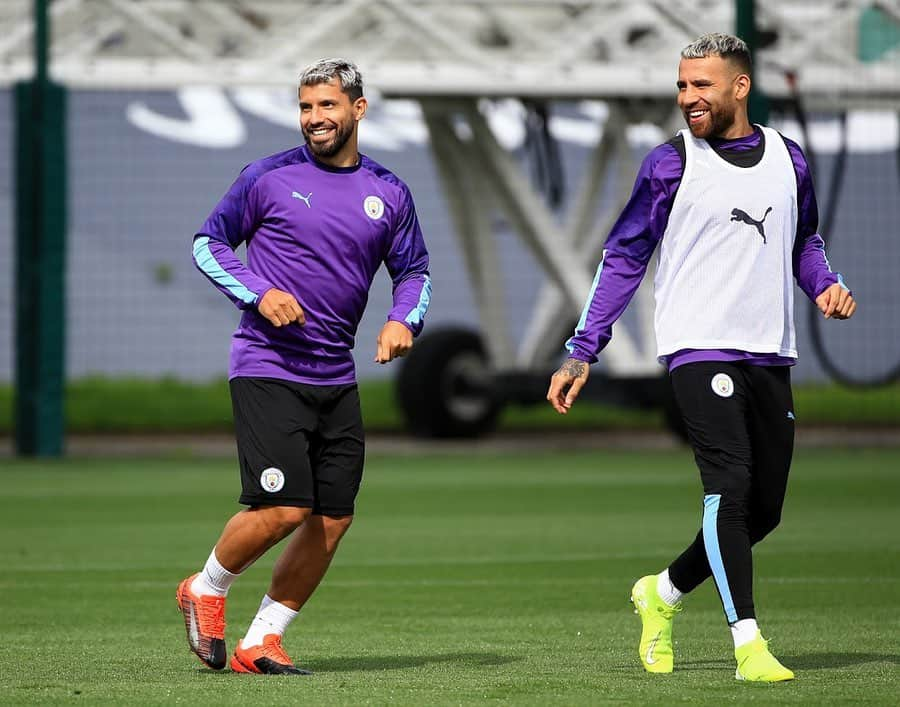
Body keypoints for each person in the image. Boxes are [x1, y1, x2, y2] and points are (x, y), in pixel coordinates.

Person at [547, 33, 856, 682]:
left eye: (701, 85)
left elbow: (804, 240)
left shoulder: (789, 159)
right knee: (731, 485)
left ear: (740, 88)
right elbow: (625, 256)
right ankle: (748, 644)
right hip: (697, 347)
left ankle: (660, 592)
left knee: (763, 510)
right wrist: (582, 350)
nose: (687, 97)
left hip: (771, 352)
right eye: (682, 84)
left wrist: (823, 281)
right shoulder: (669, 164)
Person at [178, 58, 431, 675]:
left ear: (358, 109)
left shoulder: (389, 192)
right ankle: (206, 587)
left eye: (327, 106)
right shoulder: (266, 178)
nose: (314, 119)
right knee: (286, 509)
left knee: (332, 517)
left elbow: (415, 272)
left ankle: (261, 640)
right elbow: (206, 245)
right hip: (268, 367)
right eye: (305, 107)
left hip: (336, 377)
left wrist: (403, 320)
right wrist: (257, 292)